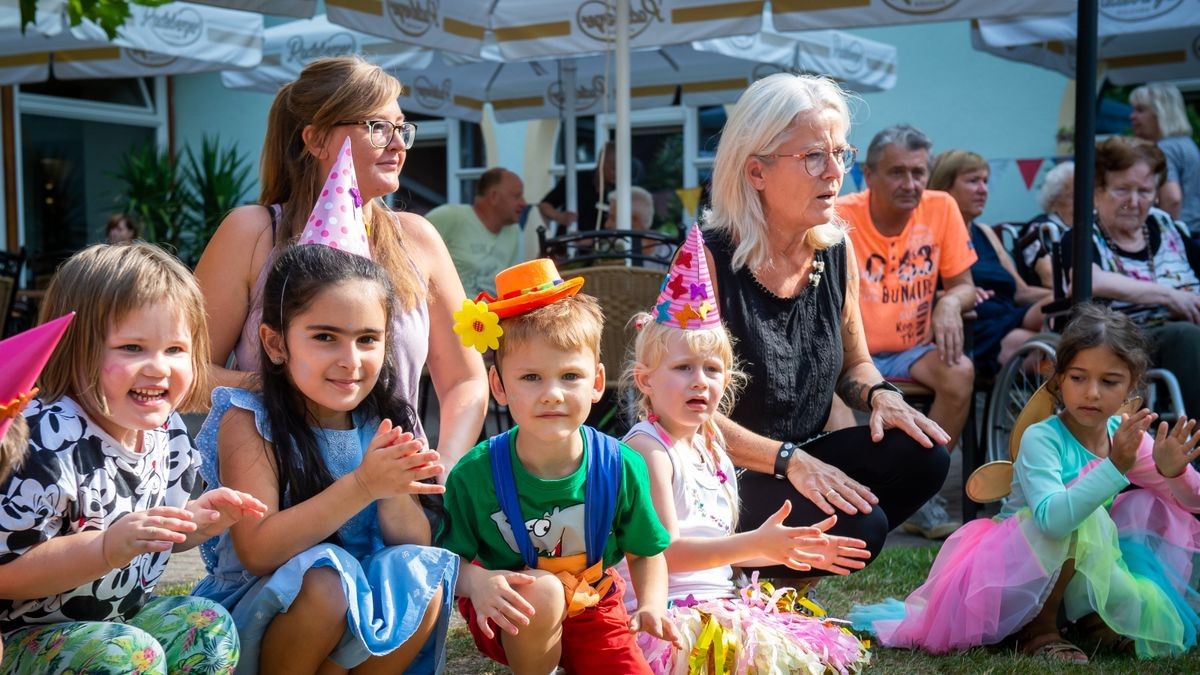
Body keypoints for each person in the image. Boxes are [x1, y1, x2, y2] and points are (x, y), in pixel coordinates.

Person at [700, 73, 951, 582]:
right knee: (863, 526)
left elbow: (855, 364)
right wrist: (788, 460)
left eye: (841, 153)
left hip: (798, 457)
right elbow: (683, 415)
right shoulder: (707, 260)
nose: (835, 173)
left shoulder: (834, 248)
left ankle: (778, 583)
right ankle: (747, 577)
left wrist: (882, 396)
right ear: (756, 172)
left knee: (924, 455)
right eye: (814, 156)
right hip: (715, 474)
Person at [850, 304, 1200, 662]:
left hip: (1068, 579)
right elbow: (1052, 521)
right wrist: (1113, 467)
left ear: (1131, 387)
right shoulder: (1042, 438)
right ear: (1058, 379)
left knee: (1150, 505)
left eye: (1109, 381)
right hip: (1010, 576)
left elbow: (1194, 502)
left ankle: (1095, 620)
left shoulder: (1122, 437)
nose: (1092, 393)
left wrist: (1174, 473)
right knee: (1084, 519)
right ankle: (1038, 629)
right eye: (1078, 378)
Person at [194, 56, 487, 473]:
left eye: (401, 128)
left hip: (396, 496)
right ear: (315, 140)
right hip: (281, 484)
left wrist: (448, 463)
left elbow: (465, 379)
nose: (399, 144)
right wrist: (287, 386)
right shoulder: (252, 233)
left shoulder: (418, 239)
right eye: (378, 127)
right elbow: (184, 371)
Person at [0, 243, 268, 674]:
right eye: (132, 348)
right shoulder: (44, 440)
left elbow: (143, 533)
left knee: (206, 626)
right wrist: (106, 547)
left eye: (175, 350)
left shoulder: (168, 433)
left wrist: (195, 522)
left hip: (115, 623)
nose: (158, 368)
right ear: (74, 348)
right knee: (125, 653)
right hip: (20, 639)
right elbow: (4, 569)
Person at [192, 240, 458, 674]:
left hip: (351, 622)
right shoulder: (249, 421)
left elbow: (413, 545)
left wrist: (390, 489)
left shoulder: (381, 419)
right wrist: (362, 485)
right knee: (325, 580)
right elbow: (259, 551)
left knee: (422, 574)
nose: (350, 360)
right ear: (276, 344)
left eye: (367, 339)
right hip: (259, 614)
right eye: (325, 337)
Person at [615, 225, 872, 673]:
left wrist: (779, 551)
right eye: (683, 367)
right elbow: (664, 552)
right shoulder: (648, 450)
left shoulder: (713, 446)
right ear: (645, 381)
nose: (700, 380)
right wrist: (752, 542)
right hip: (669, 617)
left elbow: (717, 545)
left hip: (718, 602)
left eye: (713, 368)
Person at [441, 259, 677, 673]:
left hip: (594, 604)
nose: (552, 394)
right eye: (531, 377)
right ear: (498, 385)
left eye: (570, 376)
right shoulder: (473, 476)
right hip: (511, 612)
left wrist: (653, 604)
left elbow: (645, 552)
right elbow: (445, 562)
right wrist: (477, 582)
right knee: (545, 591)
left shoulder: (620, 466)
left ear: (597, 382)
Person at [838, 123, 977, 539]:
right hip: (850, 352)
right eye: (897, 172)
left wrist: (949, 302)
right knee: (825, 392)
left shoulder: (941, 208)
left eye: (919, 172)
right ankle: (855, 495)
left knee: (960, 372)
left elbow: (964, 285)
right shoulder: (840, 215)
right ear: (870, 173)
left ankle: (921, 490)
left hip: (910, 349)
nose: (910, 183)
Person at [1064, 136, 1200, 424]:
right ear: (1097, 190)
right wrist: (1169, 296)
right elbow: (1089, 280)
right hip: (1122, 339)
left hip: (1183, 329)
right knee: (1186, 337)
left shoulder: (1165, 226)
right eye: (1122, 190)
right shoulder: (1084, 234)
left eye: (1145, 191)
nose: (1135, 202)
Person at [929, 150, 1052, 377]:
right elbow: (919, 294)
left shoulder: (985, 232)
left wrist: (1062, 292)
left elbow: (1021, 292)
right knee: (1053, 352)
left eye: (985, 181)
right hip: (976, 326)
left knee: (1069, 305)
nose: (983, 190)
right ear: (945, 187)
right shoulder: (930, 233)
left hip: (1011, 314)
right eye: (973, 181)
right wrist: (955, 295)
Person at [427, 167, 527, 299]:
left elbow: (510, 287)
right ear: (494, 196)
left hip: (492, 317)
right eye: (516, 195)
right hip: (454, 317)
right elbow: (408, 251)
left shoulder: (513, 232)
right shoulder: (451, 217)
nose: (523, 203)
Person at [1130, 82, 1200, 228]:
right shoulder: (1186, 143)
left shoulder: (1165, 148)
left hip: (1185, 233)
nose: (1132, 116)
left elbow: (1173, 199)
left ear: (1161, 113)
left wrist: (1167, 236)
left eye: (1140, 110)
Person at [538, 141, 616, 235]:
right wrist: (560, 217)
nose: (617, 173)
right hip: (565, 245)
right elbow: (544, 205)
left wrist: (590, 240)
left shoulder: (618, 193)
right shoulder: (576, 180)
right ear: (601, 163)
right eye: (614, 168)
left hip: (599, 248)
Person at [1017, 161, 1075, 288]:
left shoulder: (1092, 228)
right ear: (1053, 200)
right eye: (1072, 196)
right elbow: (1050, 279)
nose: (1083, 203)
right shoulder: (1041, 229)